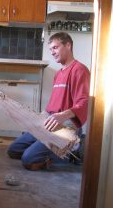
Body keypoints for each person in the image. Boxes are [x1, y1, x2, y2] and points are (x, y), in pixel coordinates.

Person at [7, 32, 90, 171]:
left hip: (66, 126)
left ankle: (72, 150)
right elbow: (54, 103)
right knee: (13, 150)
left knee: (28, 159)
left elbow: (83, 103)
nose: (52, 52)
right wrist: (39, 116)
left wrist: (62, 116)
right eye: (51, 49)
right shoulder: (58, 74)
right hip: (50, 122)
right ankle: (49, 146)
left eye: (55, 48)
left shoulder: (79, 70)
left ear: (68, 45)